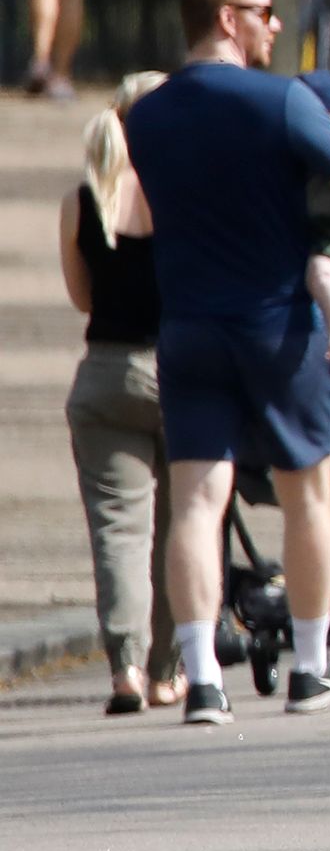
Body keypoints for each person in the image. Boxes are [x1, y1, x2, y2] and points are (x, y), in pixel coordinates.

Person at [130, 0, 330, 723]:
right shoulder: (283, 101)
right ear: (226, 18)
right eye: (263, 10)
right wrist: (327, 238)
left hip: (188, 326)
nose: (274, 24)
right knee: (307, 493)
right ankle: (309, 666)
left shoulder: (145, 115)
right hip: (277, 325)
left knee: (195, 502)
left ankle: (204, 679)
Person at [62, 77, 177, 711]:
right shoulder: (188, 196)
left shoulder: (84, 200)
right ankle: (170, 671)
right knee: (184, 525)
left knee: (118, 530)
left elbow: (84, 298)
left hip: (105, 374)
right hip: (183, 371)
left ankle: (126, 667)